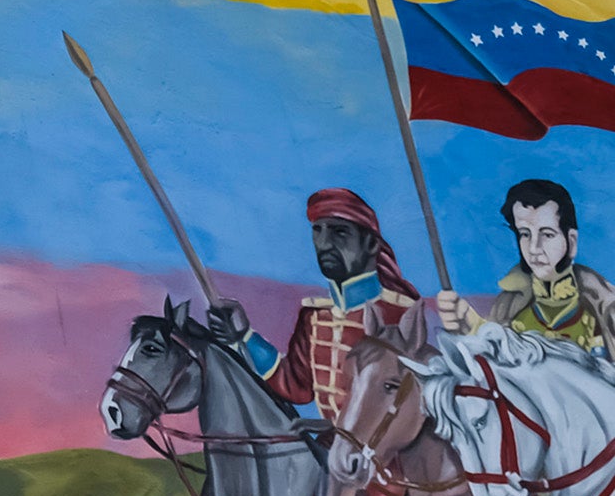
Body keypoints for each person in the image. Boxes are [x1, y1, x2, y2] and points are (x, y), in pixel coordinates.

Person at [210, 187, 430, 420]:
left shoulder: (401, 315)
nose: (324, 243)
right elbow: (297, 386)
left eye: (340, 232)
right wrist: (244, 336)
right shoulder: (313, 316)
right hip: (331, 448)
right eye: (318, 231)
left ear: (371, 245)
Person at [439, 179, 615, 351]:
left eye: (547, 234)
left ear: (571, 241)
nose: (533, 248)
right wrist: (469, 327)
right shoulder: (508, 306)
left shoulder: (605, 307)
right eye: (525, 234)